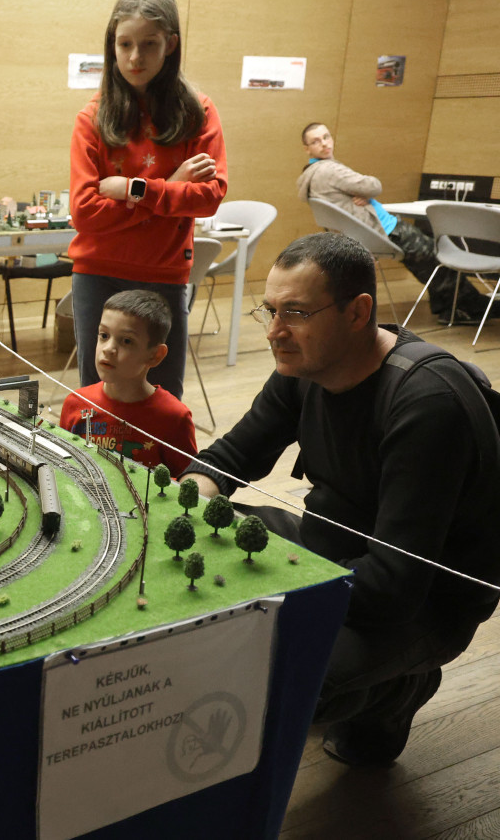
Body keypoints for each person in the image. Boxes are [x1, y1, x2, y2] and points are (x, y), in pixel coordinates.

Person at [180, 232, 500, 766]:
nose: (275, 332)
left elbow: (394, 586)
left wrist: (264, 600)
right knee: (203, 536)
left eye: (297, 313)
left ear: (358, 312)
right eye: (271, 311)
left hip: (424, 604)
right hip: (331, 548)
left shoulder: (427, 404)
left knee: (271, 668)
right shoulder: (306, 364)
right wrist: (181, 502)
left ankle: (396, 691)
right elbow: (233, 455)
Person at [69, 0, 227, 399]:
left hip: (164, 277)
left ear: (170, 44)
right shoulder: (92, 118)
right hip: (98, 275)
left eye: (149, 44)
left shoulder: (198, 112)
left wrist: (132, 189)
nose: (135, 57)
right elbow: (85, 212)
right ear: (113, 45)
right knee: (98, 400)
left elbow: (209, 197)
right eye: (125, 44)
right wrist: (171, 188)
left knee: (162, 400)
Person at [297, 122, 491, 324]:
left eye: (326, 137)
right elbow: (373, 186)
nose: (324, 143)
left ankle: (450, 307)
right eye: (316, 141)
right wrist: (366, 191)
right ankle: (472, 307)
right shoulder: (329, 170)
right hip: (385, 231)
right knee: (437, 255)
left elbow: (361, 191)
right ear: (307, 148)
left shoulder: (310, 174)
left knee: (429, 253)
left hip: (374, 231)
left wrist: (362, 194)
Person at [59, 289, 196, 477]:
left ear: (155, 355)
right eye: (104, 335)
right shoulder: (75, 403)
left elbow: (189, 483)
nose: (108, 349)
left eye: (126, 341)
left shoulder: (174, 418)